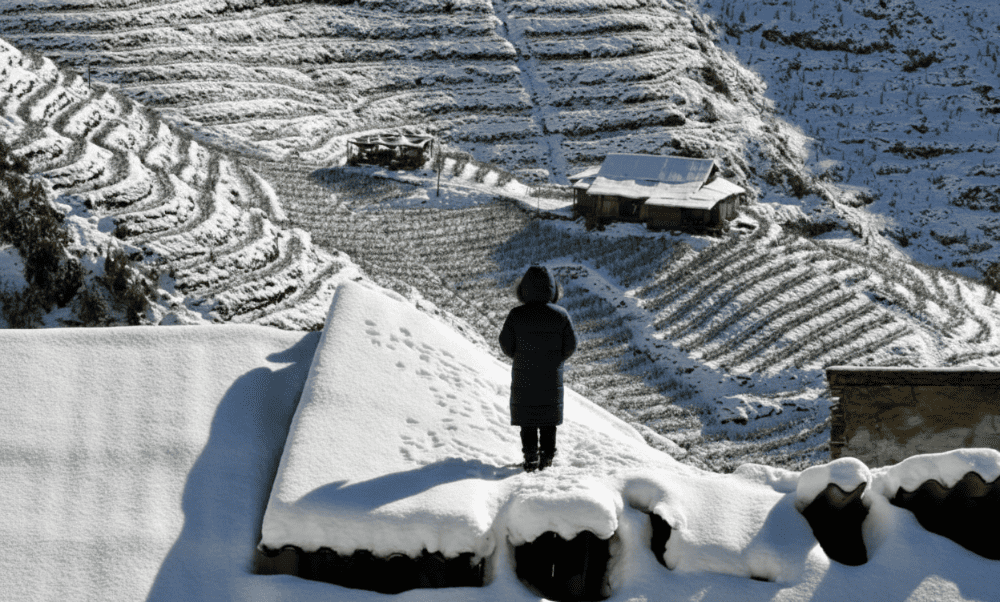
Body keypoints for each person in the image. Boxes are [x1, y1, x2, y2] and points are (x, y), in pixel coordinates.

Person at [498, 265, 577, 472]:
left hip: (524, 375)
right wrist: (555, 359)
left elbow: (506, 344)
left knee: (528, 418)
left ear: (523, 289)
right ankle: (547, 458)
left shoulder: (516, 315)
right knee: (548, 419)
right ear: (553, 290)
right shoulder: (561, 315)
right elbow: (571, 345)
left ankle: (530, 457)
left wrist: (521, 356)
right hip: (551, 376)